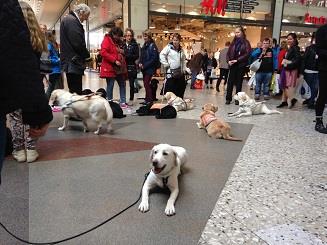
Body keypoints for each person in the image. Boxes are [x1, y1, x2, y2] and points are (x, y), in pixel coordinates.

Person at [1, 0, 52, 183]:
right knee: (30, 120)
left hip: (12, 87)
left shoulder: (12, 31)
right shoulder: (38, 37)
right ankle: (31, 149)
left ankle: (18, 149)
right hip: (33, 84)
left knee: (15, 118)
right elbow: (44, 65)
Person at [60, 3, 91, 95]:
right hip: (73, 62)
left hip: (71, 62)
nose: (86, 19)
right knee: (76, 91)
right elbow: (77, 43)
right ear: (81, 12)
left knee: (74, 90)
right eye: (86, 16)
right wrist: (87, 56)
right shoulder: (72, 21)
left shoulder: (69, 20)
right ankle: (76, 109)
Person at [100, 27, 128, 108]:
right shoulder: (107, 40)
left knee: (122, 84)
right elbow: (103, 52)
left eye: (119, 36)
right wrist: (114, 60)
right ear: (113, 34)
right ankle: (110, 102)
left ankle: (123, 101)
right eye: (117, 36)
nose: (118, 37)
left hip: (119, 68)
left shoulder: (119, 42)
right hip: (110, 67)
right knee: (110, 85)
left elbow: (124, 52)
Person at [225, 26, 251, 105]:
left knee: (239, 83)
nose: (236, 34)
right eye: (235, 32)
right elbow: (228, 53)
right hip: (232, 65)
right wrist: (228, 61)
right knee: (230, 82)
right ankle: (228, 99)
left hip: (240, 65)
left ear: (242, 32)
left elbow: (247, 53)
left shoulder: (246, 42)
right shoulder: (233, 43)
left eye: (238, 32)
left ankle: (237, 99)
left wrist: (237, 60)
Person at [277, 33, 301, 109]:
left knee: (287, 86)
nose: (289, 40)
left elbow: (297, 60)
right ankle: (284, 101)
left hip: (291, 70)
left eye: (291, 39)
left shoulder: (295, 48)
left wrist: (288, 64)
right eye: (288, 39)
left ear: (294, 39)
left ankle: (292, 99)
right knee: (284, 86)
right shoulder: (291, 48)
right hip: (287, 69)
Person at [160, 33, 188, 98]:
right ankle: (170, 105)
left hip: (179, 72)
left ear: (179, 41)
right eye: (174, 40)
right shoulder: (168, 48)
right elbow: (162, 55)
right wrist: (166, 64)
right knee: (170, 90)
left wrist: (184, 69)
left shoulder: (181, 50)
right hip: (171, 72)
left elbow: (183, 60)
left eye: (177, 40)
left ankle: (178, 102)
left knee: (180, 89)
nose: (175, 42)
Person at [139, 29, 159, 104]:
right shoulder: (145, 44)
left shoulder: (152, 45)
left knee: (146, 83)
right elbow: (142, 56)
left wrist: (145, 65)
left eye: (146, 36)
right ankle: (147, 99)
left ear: (149, 36)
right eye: (144, 36)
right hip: (145, 68)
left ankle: (149, 100)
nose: (144, 37)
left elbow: (154, 58)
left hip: (149, 68)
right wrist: (140, 63)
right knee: (145, 83)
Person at [314, 23, 327, 133]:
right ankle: (319, 121)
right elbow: (318, 49)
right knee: (322, 95)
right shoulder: (322, 30)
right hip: (324, 68)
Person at [302, 33, 319, 109]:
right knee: (308, 87)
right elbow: (304, 60)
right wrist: (302, 71)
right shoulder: (309, 48)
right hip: (308, 71)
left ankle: (311, 102)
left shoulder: (322, 49)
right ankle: (309, 100)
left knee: (314, 88)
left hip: (317, 71)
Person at [123, 28, 139, 106]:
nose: (129, 37)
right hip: (123, 67)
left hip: (132, 66)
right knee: (122, 84)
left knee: (131, 84)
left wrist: (127, 55)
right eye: (127, 35)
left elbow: (136, 56)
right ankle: (123, 99)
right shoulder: (122, 44)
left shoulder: (135, 45)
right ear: (125, 36)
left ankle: (131, 99)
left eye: (130, 36)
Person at [45, 31, 61, 99]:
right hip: (54, 70)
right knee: (53, 88)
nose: (55, 37)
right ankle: (46, 101)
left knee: (54, 87)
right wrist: (57, 60)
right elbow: (47, 58)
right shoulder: (49, 45)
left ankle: (51, 103)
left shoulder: (52, 44)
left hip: (56, 69)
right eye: (54, 35)